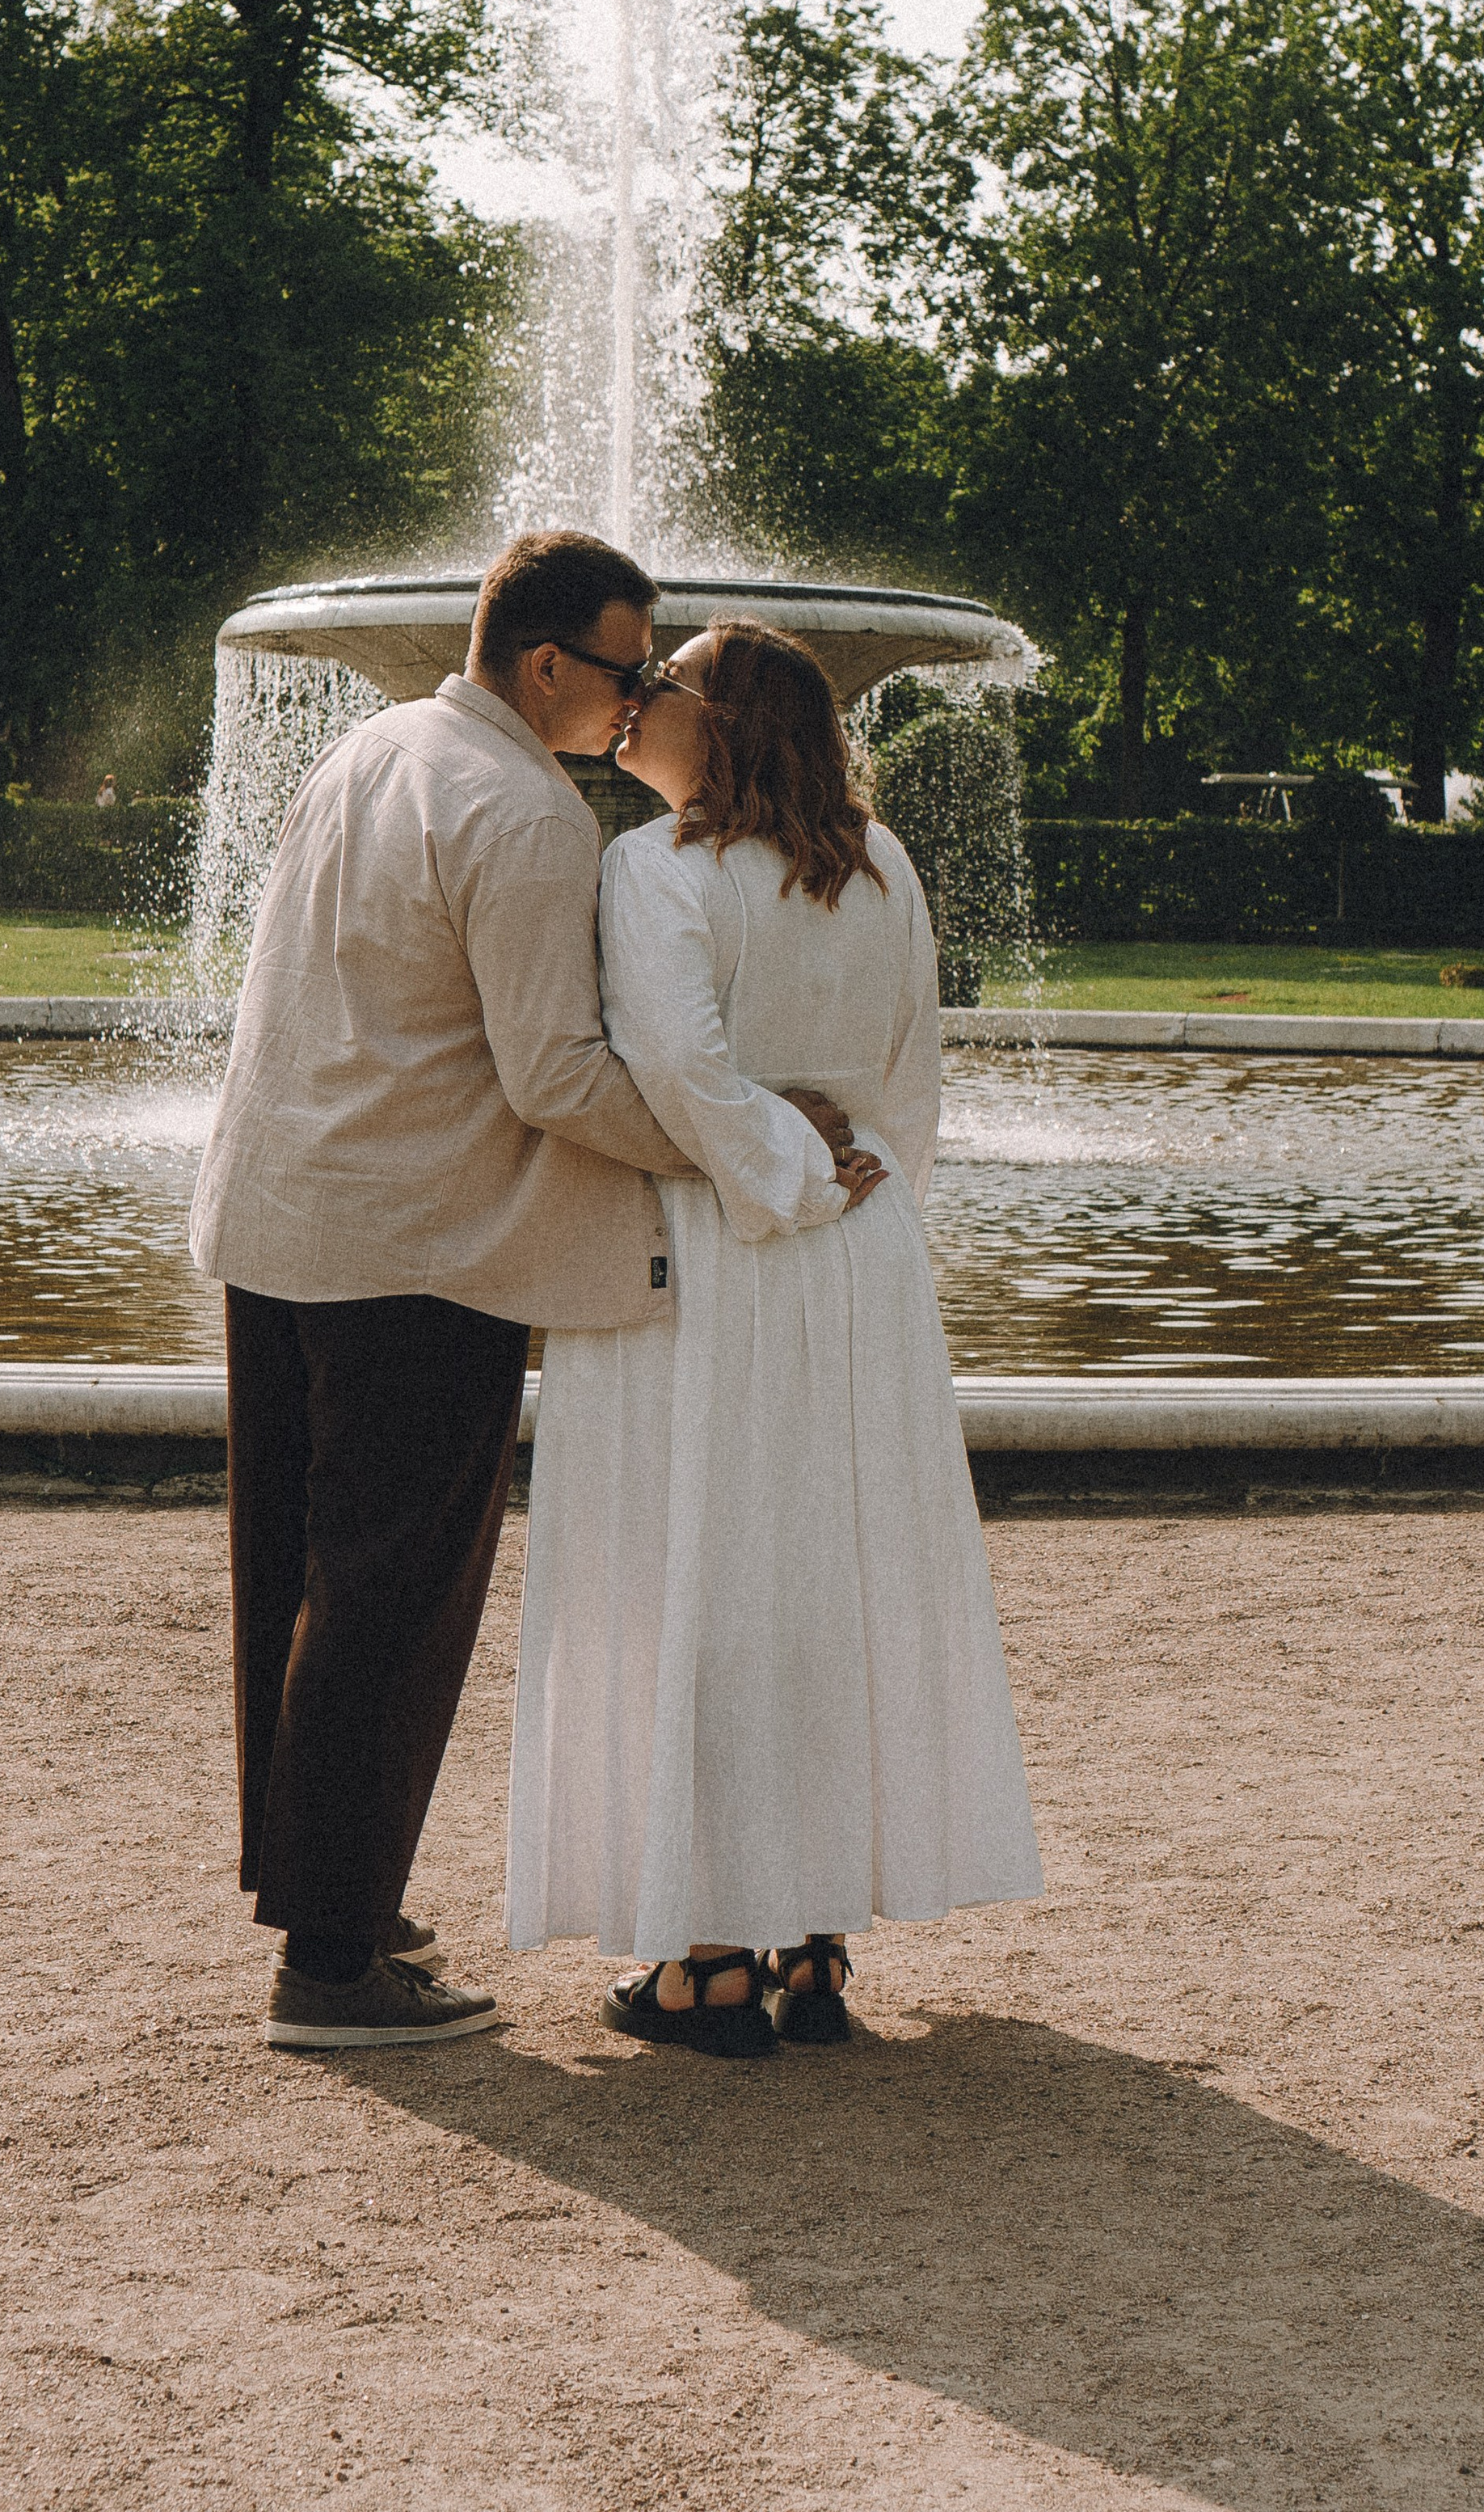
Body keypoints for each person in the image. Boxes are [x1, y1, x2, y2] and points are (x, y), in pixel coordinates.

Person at [189, 534, 861, 2055]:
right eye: (629, 670)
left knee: (293, 1577)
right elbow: (556, 1075)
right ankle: (336, 1965)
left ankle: (322, 1896)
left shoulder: (377, 748)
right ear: (549, 664)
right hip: (420, 1246)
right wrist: (751, 1139)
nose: (639, 703)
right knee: (391, 1598)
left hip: (277, 1217)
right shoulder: (530, 813)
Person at [505, 620, 1043, 2056]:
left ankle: (708, 1957)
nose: (634, 705)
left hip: (719, 1241)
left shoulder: (654, 866)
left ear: (722, 721)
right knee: (823, 1575)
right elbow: (912, 1079)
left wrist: (780, 1179)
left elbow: (675, 1063)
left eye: (661, 686)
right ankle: (812, 1937)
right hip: (857, 1251)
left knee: (697, 1569)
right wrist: (859, 1194)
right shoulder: (882, 865)